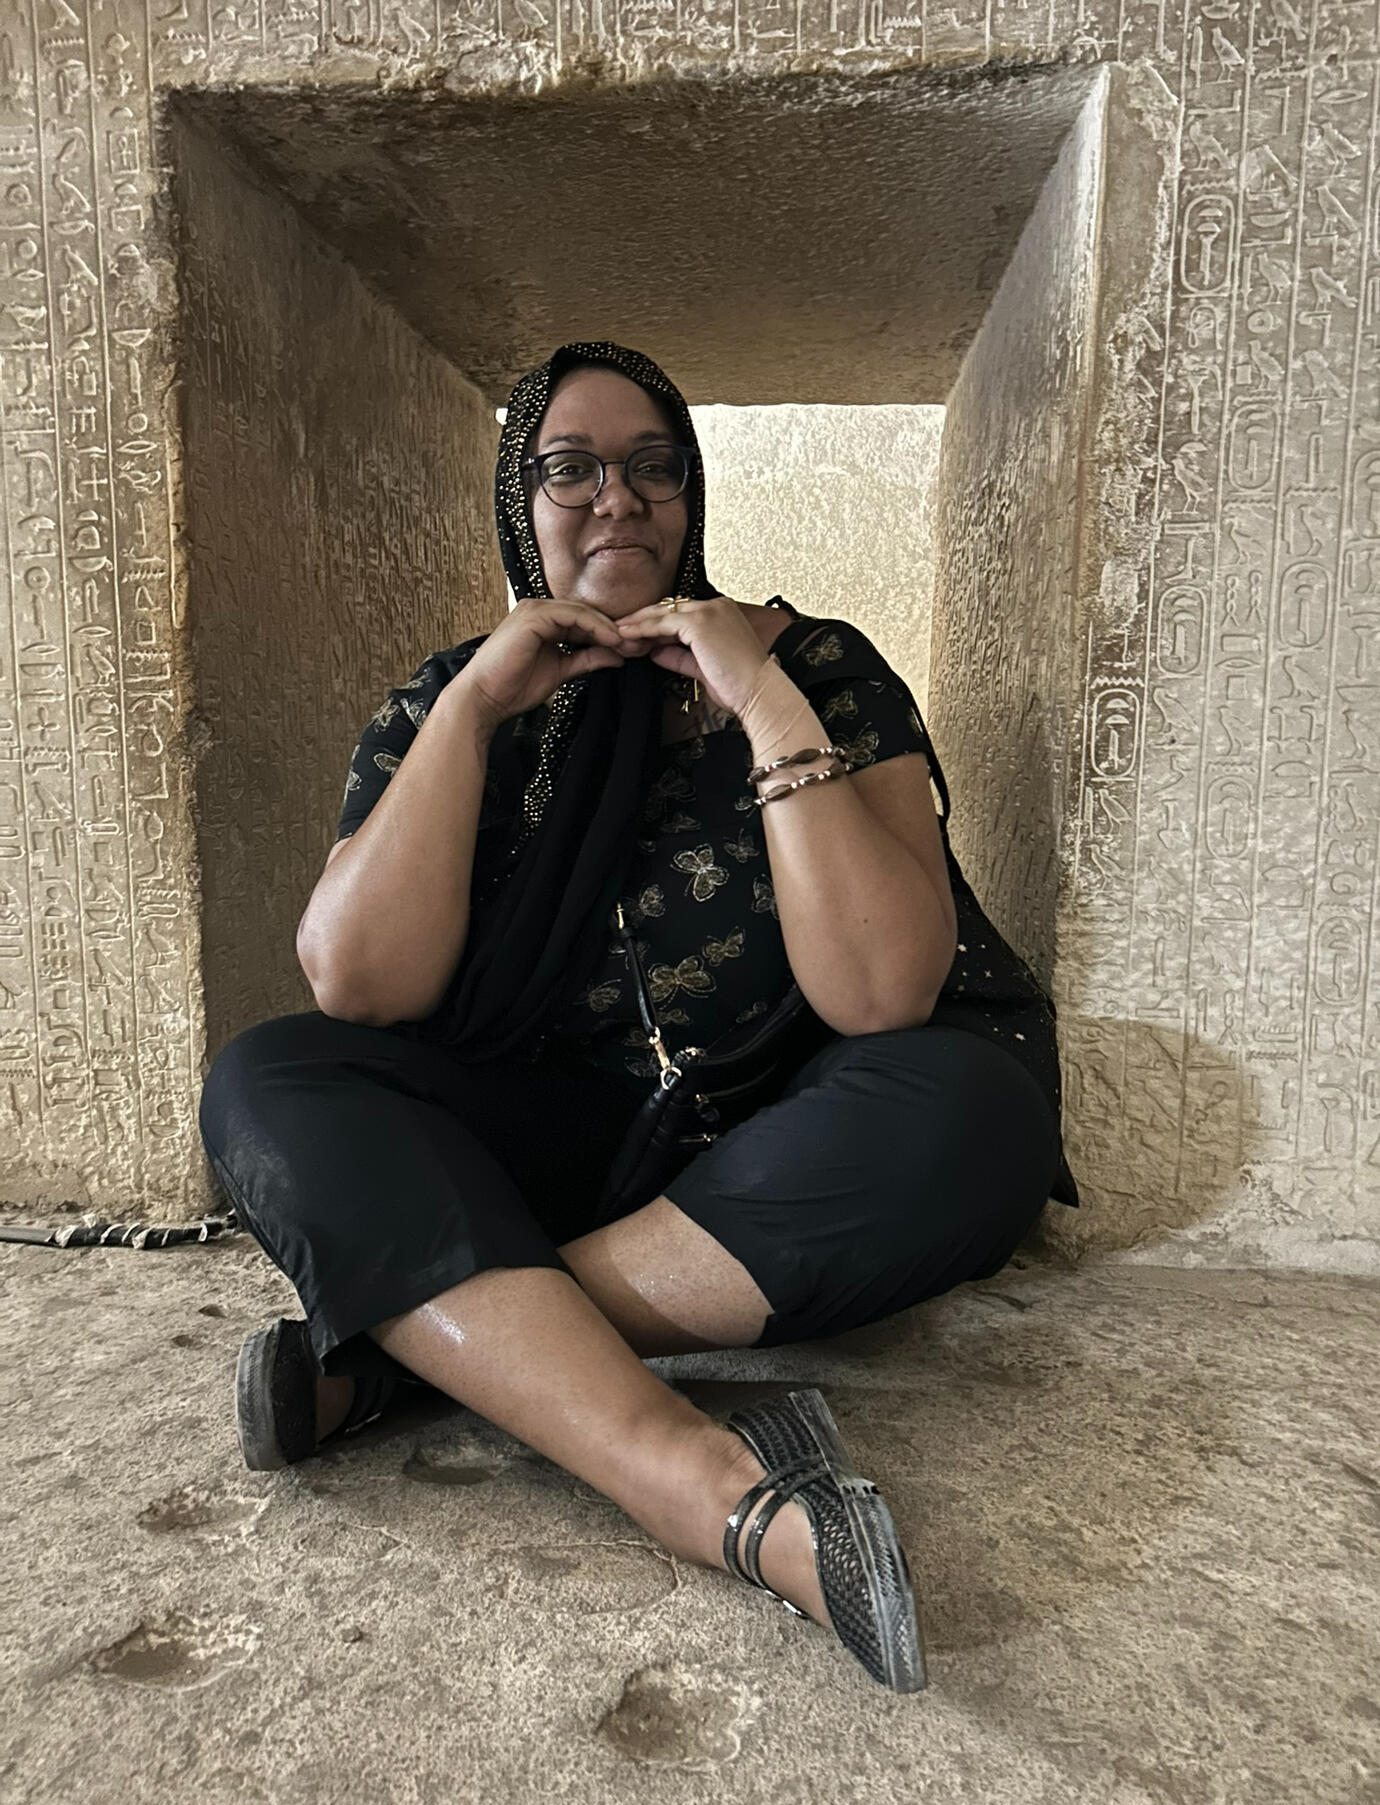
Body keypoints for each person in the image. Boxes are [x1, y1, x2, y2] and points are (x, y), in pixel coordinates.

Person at [199, 340, 1077, 1695]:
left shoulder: (818, 662)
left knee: (972, 1115)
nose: (617, 499)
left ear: (692, 490)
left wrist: (760, 696)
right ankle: (701, 1482)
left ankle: (411, 1356)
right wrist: (480, 707)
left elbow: (884, 991)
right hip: (566, 1125)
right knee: (272, 1079)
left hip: (798, 1116)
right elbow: (362, 989)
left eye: (652, 465)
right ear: (519, 502)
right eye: (569, 469)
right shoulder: (451, 696)